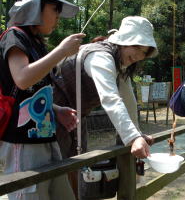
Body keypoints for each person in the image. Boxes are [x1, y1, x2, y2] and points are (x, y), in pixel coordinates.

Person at [52, 16, 157, 194]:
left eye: (144, 51)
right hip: (51, 114)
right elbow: (111, 98)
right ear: (123, 41)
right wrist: (133, 137)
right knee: (54, 174)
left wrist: (137, 134)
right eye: (137, 47)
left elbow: (128, 99)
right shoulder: (101, 57)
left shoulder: (120, 64)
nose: (139, 55)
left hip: (76, 118)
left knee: (76, 167)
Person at [0, 0, 85, 199]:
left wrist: (55, 110)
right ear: (33, 6)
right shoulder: (14, 37)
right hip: (22, 143)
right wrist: (62, 51)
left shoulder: (36, 42)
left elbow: (32, 91)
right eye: (55, 8)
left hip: (46, 138)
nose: (57, 16)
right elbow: (22, 78)